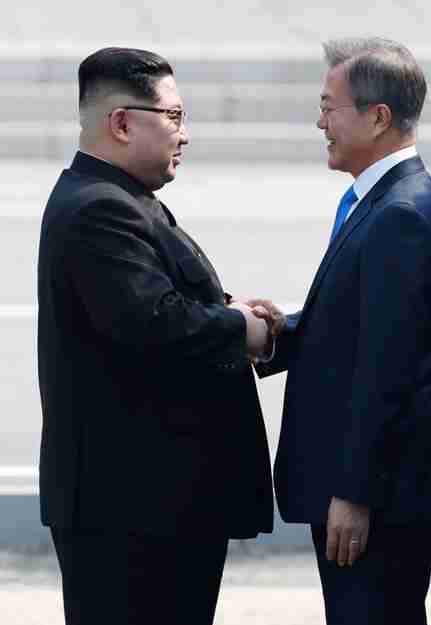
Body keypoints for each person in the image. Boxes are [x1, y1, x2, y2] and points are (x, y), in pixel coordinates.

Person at [37, 47, 274, 625]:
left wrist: (232, 314)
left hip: (156, 507)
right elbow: (153, 323)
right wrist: (241, 327)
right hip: (132, 515)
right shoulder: (99, 209)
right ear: (121, 122)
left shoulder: (125, 201)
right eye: (173, 116)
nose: (184, 134)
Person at [255, 37, 431, 625]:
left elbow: (389, 370)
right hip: (371, 483)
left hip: (378, 492)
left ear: (377, 117)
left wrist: (356, 492)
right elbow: (356, 328)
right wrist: (274, 333)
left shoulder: (400, 214)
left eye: (330, 107)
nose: (319, 122)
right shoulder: (374, 201)